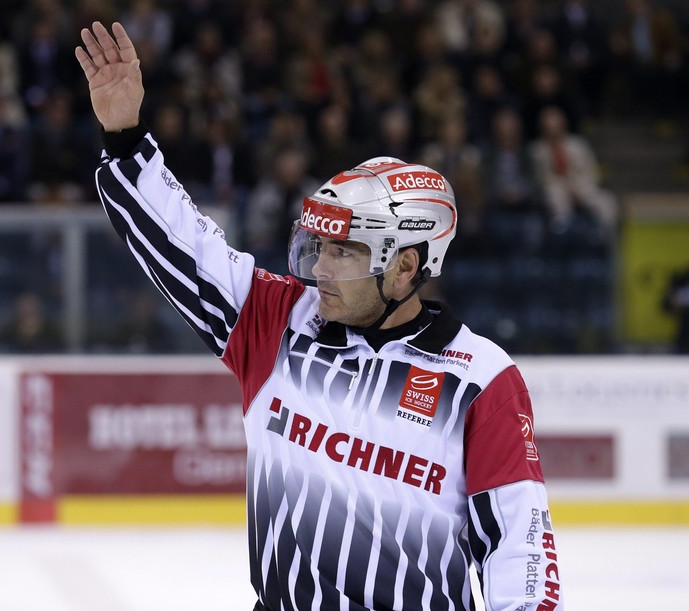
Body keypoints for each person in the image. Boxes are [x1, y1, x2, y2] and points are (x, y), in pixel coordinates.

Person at [76, 22, 564, 611]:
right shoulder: (279, 322)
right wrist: (126, 137)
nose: (322, 270)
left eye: (345, 253)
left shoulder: (482, 380)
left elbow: (519, 550)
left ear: (406, 266)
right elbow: (185, 245)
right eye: (321, 248)